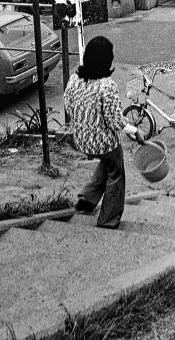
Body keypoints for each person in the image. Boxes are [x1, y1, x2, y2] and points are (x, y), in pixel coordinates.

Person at [64, 36, 145, 229]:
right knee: (116, 172)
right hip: (104, 143)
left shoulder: (74, 79)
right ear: (106, 60)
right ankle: (108, 219)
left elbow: (68, 105)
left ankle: (87, 201)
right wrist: (135, 130)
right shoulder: (106, 86)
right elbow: (115, 120)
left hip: (81, 139)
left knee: (106, 164)